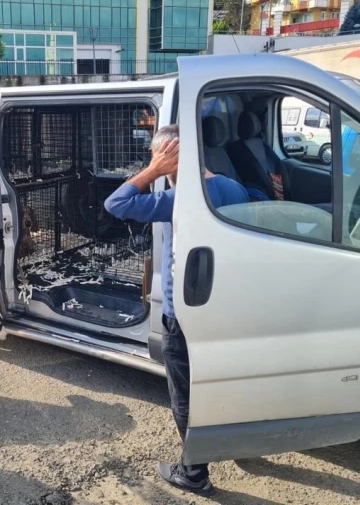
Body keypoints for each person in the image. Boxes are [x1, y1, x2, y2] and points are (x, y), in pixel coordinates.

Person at [104, 124, 249, 497]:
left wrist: (153, 170)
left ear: (166, 155)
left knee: (185, 393)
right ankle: (237, 442)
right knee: (220, 381)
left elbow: (115, 204)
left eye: (158, 156)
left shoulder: (181, 197)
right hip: (223, 304)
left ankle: (194, 473)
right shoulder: (231, 187)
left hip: (182, 312)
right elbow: (258, 201)